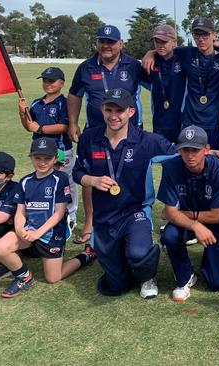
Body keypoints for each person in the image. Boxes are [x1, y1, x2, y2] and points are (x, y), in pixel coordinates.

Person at [72, 88, 175, 299]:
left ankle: (148, 276)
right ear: (102, 109)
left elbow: (181, 152)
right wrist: (92, 180)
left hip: (135, 211)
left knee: (138, 253)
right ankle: (121, 261)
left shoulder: (147, 140)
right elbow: (77, 172)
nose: (113, 116)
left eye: (120, 110)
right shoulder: (89, 138)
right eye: (109, 109)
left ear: (131, 111)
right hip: (105, 216)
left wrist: (214, 152)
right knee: (116, 284)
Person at [68, 25, 147, 247]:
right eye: (102, 41)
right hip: (95, 130)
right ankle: (90, 222)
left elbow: (157, 86)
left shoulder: (133, 65)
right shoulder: (86, 67)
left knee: (131, 173)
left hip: (129, 131)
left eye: (111, 42)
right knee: (90, 176)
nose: (106, 46)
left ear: (121, 44)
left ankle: (135, 220)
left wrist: (150, 53)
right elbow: (74, 94)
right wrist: (73, 122)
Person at [0, 138, 95, 298]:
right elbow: (20, 212)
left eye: (47, 158)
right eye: (38, 158)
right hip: (29, 231)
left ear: (55, 159)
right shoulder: (25, 181)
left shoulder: (60, 179)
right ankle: (24, 277)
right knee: (0, 248)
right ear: (31, 157)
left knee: (53, 278)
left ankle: (86, 255)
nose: (42, 162)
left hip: (51, 234)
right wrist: (19, 229)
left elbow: (59, 213)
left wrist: (38, 233)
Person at [158, 126, 219, 302]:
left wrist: (178, 214)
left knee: (217, 283)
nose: (190, 155)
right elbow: (170, 212)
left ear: (207, 150)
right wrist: (195, 225)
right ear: (179, 150)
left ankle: (216, 260)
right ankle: (185, 276)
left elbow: (215, 216)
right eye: (186, 150)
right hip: (192, 222)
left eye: (195, 150)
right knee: (169, 235)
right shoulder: (171, 167)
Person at [142, 17, 219, 148]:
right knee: (188, 163)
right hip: (190, 122)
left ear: (214, 34)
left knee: (213, 162)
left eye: (205, 34)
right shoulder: (186, 53)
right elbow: (165, 49)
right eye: (197, 34)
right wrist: (150, 53)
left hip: (215, 123)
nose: (201, 39)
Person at [18, 67, 78, 237]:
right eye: (45, 80)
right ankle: (49, 214)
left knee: (66, 182)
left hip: (60, 150)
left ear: (62, 83)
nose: (48, 84)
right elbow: (30, 126)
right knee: (46, 182)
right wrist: (22, 113)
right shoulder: (37, 103)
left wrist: (41, 128)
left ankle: (70, 215)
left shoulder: (65, 103)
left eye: (52, 81)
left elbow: (65, 126)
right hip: (40, 151)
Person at [147, 24, 185, 143]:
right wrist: (150, 53)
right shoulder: (150, 63)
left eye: (164, 41)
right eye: (157, 41)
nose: (160, 45)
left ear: (174, 42)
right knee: (163, 160)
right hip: (160, 123)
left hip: (182, 122)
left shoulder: (184, 59)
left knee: (183, 159)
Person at [0, 152, 20, 284]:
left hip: (13, 231)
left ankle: (0, 265)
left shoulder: (14, 188)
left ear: (9, 176)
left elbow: (0, 218)